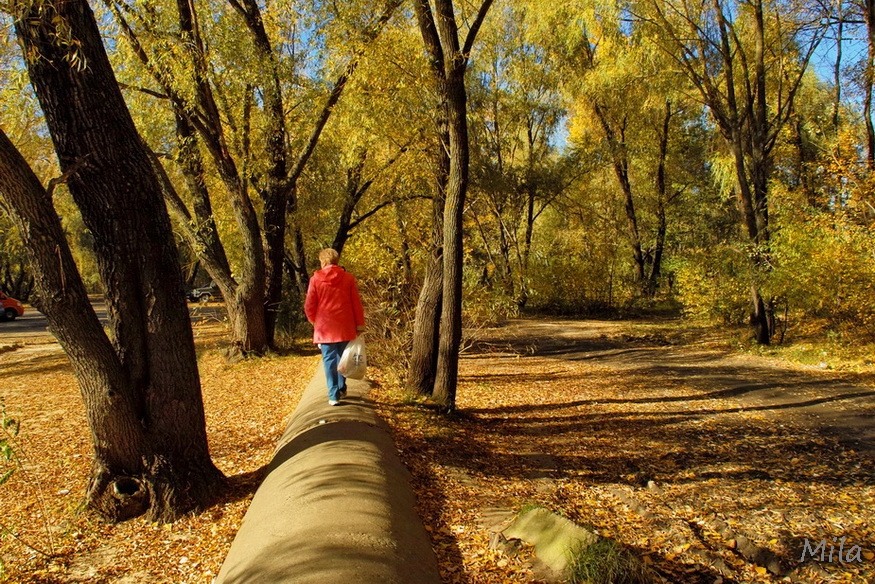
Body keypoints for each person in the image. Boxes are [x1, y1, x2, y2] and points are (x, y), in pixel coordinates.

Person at [304, 248, 366, 405]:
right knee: (343, 358)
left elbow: (310, 304)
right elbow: (356, 303)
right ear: (337, 261)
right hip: (345, 325)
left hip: (325, 328)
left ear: (323, 261)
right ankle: (341, 387)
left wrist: (313, 321)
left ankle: (333, 395)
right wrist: (359, 324)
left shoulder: (315, 280)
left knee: (329, 360)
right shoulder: (348, 278)